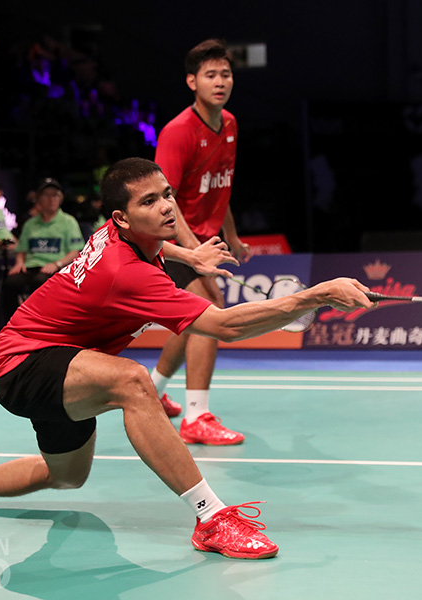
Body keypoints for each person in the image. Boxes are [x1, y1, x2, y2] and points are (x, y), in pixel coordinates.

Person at [0, 157, 374, 560]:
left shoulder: (119, 234)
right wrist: (314, 296)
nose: (167, 207)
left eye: (167, 194)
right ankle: (211, 519)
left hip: (59, 360)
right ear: (122, 217)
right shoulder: (126, 272)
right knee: (132, 382)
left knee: (65, 476)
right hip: (21, 362)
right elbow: (225, 327)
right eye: (149, 202)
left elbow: (158, 241)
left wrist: (190, 255)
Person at [151, 39, 253, 444]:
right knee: (210, 311)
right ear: (192, 81)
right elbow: (164, 200)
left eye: (225, 74)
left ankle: (153, 390)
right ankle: (196, 417)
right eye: (210, 75)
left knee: (190, 322)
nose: (220, 82)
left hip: (203, 240)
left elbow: (219, 186)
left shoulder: (229, 124)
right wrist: (194, 253)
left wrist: (232, 236)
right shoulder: (178, 132)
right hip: (170, 238)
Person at [0, 178, 85, 326]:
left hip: (57, 269)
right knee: (9, 283)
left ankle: (42, 326)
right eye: (47, 195)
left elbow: (75, 252)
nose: (52, 199)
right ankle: (14, 325)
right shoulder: (30, 224)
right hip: (31, 267)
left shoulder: (68, 222)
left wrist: (57, 264)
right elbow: (22, 249)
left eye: (55, 195)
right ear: (38, 199)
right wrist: (19, 263)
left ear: (60, 198)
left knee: (40, 282)